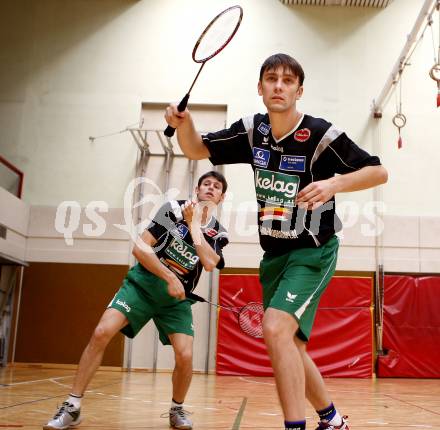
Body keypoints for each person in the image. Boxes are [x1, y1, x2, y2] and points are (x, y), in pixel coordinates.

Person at [165, 53, 388, 430]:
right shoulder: (253, 131)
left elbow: (378, 171)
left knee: (274, 329)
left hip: (313, 250)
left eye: (287, 81)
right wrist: (183, 124)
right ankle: (333, 421)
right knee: (291, 346)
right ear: (260, 88)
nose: (279, 86)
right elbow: (196, 148)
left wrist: (333, 183)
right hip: (274, 255)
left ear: (299, 91)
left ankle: (294, 426)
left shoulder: (320, 133)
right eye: (271, 79)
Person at [43, 171, 229, 430]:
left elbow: (209, 263)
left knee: (185, 355)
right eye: (206, 184)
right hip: (142, 286)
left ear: (221, 197)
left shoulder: (218, 232)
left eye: (216, 186)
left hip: (175, 301)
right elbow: (140, 248)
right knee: (101, 332)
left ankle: (177, 409)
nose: (210, 188)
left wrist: (195, 225)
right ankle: (72, 406)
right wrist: (168, 276)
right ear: (197, 190)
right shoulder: (172, 210)